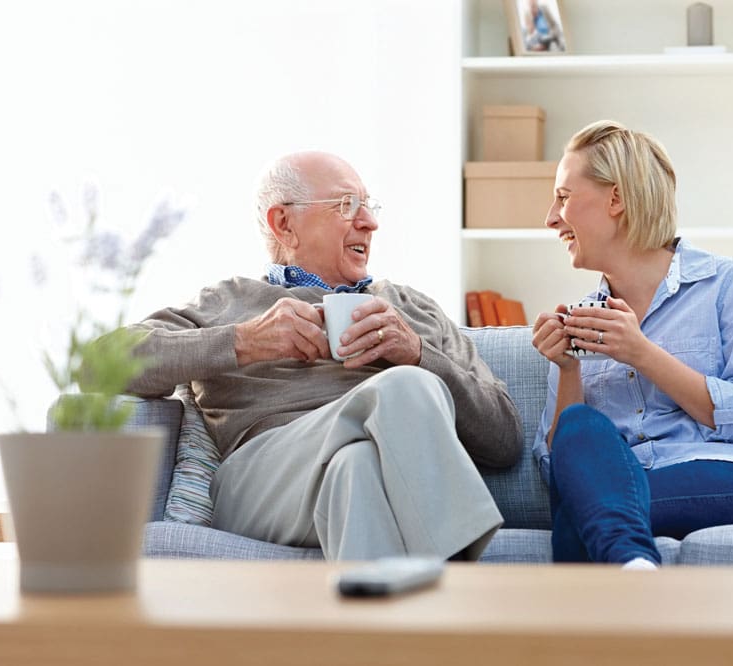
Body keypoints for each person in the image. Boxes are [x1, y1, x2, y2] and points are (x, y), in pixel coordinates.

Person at [116, 150, 523, 561]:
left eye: (369, 206)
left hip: (356, 475)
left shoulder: (413, 311)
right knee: (404, 389)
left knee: (356, 468)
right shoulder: (229, 301)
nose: (370, 222)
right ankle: (467, 584)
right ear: (284, 224)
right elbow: (103, 363)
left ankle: (375, 621)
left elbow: (504, 439)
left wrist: (417, 354)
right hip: (262, 482)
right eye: (347, 205)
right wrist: (246, 341)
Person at [531, 120, 733, 569]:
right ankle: (634, 568)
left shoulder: (727, 285)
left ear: (616, 198)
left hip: (731, 475)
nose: (551, 218)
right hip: (622, 485)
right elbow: (560, 469)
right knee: (577, 428)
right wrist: (569, 369)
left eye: (564, 197)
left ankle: (599, 608)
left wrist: (642, 353)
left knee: (582, 516)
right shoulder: (582, 321)